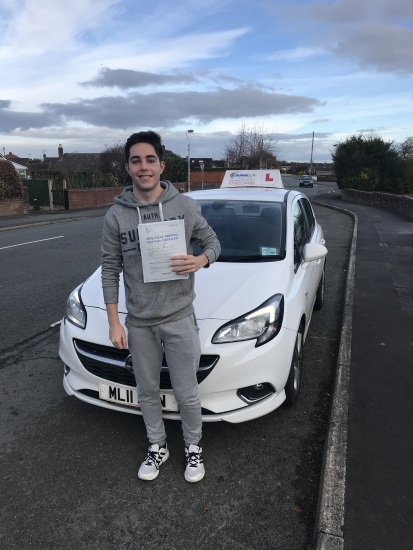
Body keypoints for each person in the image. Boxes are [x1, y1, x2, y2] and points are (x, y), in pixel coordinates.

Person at [101, 131, 220, 483]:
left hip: (180, 317)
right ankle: (158, 446)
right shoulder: (116, 217)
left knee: (186, 393)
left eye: (150, 159)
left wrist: (201, 260)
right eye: (136, 161)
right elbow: (110, 268)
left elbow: (213, 241)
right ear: (127, 167)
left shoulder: (184, 206)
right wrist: (113, 323)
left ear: (161, 164)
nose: (143, 167)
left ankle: (193, 447)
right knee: (148, 392)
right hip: (139, 323)